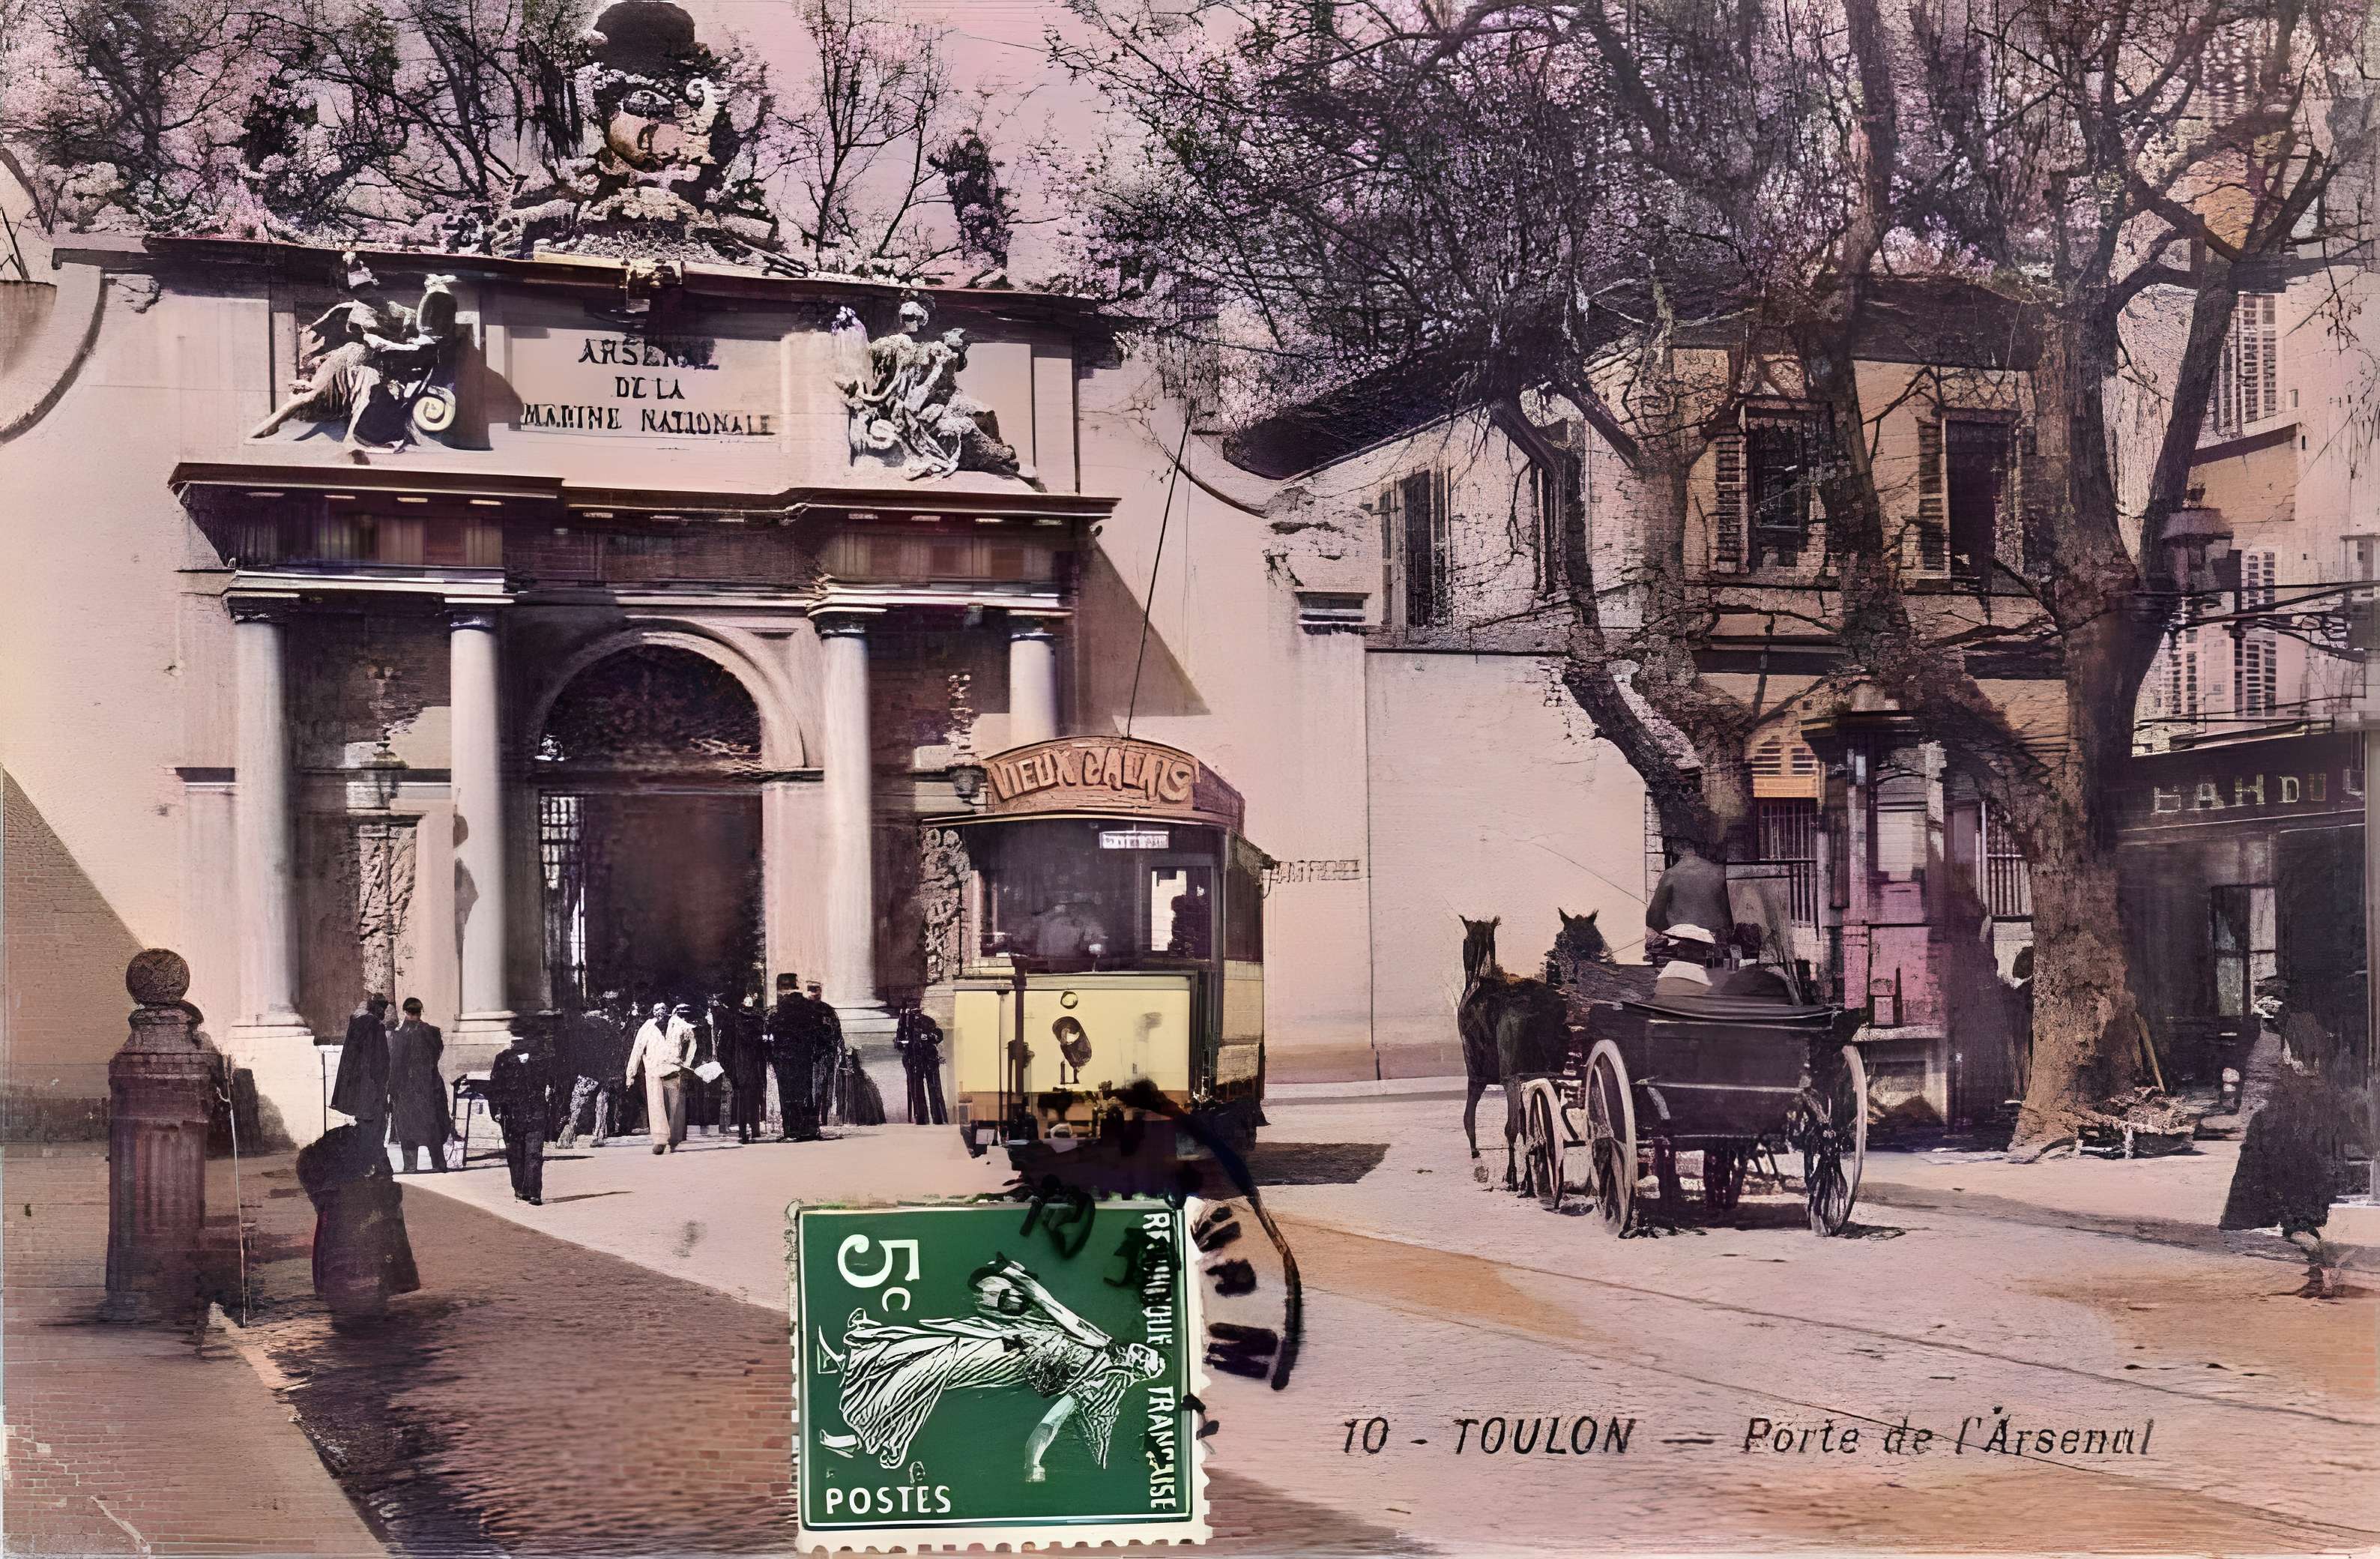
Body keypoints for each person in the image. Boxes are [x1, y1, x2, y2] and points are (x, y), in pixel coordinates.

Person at [820, 1254, 1166, 1480]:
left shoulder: (1100, 1384)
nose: (1136, 1354)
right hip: (1010, 1337)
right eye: (1143, 1352)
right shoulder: (1100, 1340)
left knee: (933, 1365)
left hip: (1008, 1357)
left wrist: (1034, 1462)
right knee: (934, 1345)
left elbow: (1052, 1422)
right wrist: (1013, 1275)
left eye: (1142, 1363)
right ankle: (857, 1355)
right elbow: (1053, 1308)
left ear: (1136, 1374)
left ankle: (861, 1430)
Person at [2220, 1007, 2370, 1295]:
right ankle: (2300, 1229)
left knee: (2271, 1139)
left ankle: (2296, 1228)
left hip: (2299, 1157)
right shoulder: (2324, 1091)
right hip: (2310, 1153)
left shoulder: (2283, 1103)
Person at [385, 998, 451, 1173]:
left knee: (407, 1126)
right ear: (421, 1011)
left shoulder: (399, 1036)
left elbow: (395, 1063)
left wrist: (392, 1088)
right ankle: (439, 1164)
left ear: (405, 1012)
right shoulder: (432, 1032)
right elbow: (437, 1054)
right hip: (430, 1084)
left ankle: (410, 1166)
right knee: (433, 1124)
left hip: (407, 1087)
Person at [488, 1018, 547, 1205]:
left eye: (520, 1038)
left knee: (533, 1153)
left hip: (534, 1113)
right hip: (512, 1114)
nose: (517, 1042)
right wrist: (497, 1110)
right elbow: (495, 1087)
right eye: (515, 1038)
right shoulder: (503, 1059)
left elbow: (551, 1084)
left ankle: (534, 1191)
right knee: (516, 1153)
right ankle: (521, 1189)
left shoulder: (541, 1059)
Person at [626, 1000, 694, 1154]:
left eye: (663, 1009)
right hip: (654, 1070)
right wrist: (630, 1073)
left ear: (667, 1010)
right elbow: (637, 1050)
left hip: (673, 1069)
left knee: (674, 1105)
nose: (660, 1012)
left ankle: (674, 1137)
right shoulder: (647, 1027)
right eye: (657, 1010)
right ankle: (660, 1140)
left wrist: (687, 1062)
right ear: (653, 1012)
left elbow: (692, 1040)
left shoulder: (677, 1023)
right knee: (656, 1104)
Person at [1646, 842, 1733, 962]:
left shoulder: (1671, 874)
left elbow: (1654, 918)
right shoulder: (1720, 872)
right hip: (1716, 944)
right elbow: (1730, 915)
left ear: (1677, 852)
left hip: (1682, 944)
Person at [558, 995, 625, 1149]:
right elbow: (617, 1049)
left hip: (585, 1071)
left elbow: (572, 1050)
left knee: (578, 1103)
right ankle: (598, 1135)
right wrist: (614, 1069)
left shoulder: (580, 1026)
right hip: (604, 1070)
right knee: (601, 1102)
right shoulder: (608, 1027)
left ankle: (569, 1136)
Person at [765, 974, 824, 1142]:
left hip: (784, 1060)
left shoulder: (777, 1012)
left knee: (787, 1096)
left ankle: (791, 1131)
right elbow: (819, 1034)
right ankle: (808, 1130)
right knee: (805, 1094)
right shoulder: (810, 1009)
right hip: (804, 1058)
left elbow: (769, 1037)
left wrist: (772, 1057)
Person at [330, 992, 393, 1142]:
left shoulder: (356, 1024)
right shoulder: (376, 1026)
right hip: (372, 1087)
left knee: (363, 1125)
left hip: (356, 1088)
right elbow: (381, 1060)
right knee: (375, 1127)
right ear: (379, 1009)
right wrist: (385, 1083)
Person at [718, 993, 768, 1145]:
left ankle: (749, 1131)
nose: (749, 1001)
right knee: (747, 1098)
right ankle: (748, 1131)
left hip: (747, 1066)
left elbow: (725, 1047)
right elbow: (726, 1047)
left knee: (748, 1098)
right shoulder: (741, 1021)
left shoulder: (753, 1020)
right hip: (746, 1066)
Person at [893, 1002, 948, 1125]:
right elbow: (899, 1042)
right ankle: (922, 1118)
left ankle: (938, 1118)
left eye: (916, 1012)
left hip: (928, 1059)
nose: (915, 1015)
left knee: (933, 1089)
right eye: (912, 1012)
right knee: (917, 1091)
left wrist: (929, 1037)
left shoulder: (928, 1021)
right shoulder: (904, 1024)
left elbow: (938, 1035)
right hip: (913, 1060)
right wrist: (903, 1043)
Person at [1024, 893, 1108, 961]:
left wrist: (1096, 946)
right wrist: (1051, 913)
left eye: (1067, 897)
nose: (1064, 906)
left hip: (1079, 967)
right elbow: (1027, 932)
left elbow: (1099, 942)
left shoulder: (1087, 921)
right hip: (1045, 967)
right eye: (1060, 903)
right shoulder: (1045, 921)